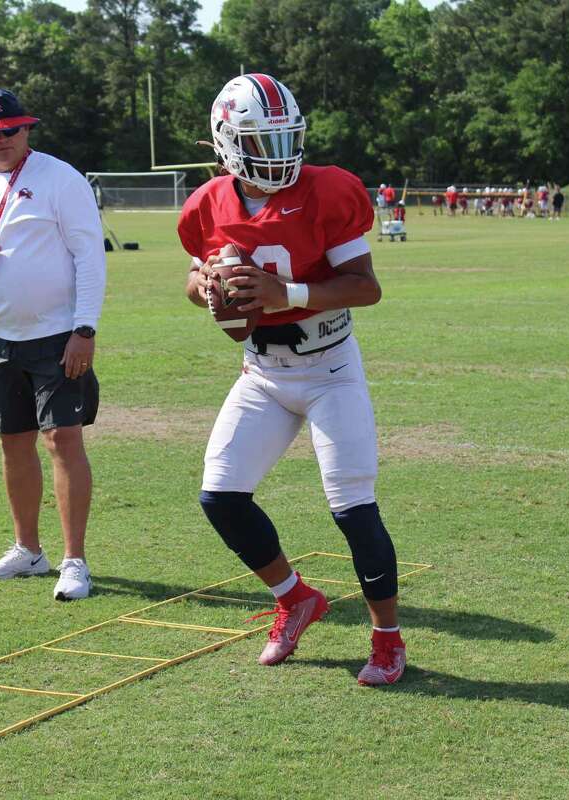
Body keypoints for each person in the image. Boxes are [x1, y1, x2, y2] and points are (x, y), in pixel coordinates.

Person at [178, 73, 408, 687]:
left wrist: (287, 293)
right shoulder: (207, 205)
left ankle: (387, 638)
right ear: (227, 142)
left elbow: (365, 287)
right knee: (220, 496)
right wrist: (204, 288)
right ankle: (294, 597)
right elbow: (199, 282)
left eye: (284, 139)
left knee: (353, 508)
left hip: (331, 368)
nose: (277, 155)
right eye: (260, 140)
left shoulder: (329, 190)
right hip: (263, 373)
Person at [0, 89, 106, 601]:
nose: (1, 141)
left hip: (58, 336)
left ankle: (74, 561)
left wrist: (84, 330)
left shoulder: (61, 179)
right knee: (12, 441)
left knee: (63, 440)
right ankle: (27, 551)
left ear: (26, 130)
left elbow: (90, 256)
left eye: (9, 131)